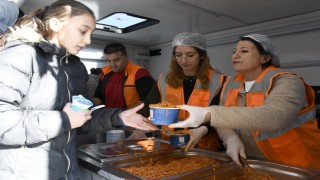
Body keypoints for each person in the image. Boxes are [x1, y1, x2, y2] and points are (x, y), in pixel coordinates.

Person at [0, 1, 156, 179]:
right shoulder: (21, 55)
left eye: (91, 34)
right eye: (83, 31)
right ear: (56, 24)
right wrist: (63, 120)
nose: (88, 40)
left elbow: (83, 117)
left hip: (68, 171)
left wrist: (118, 116)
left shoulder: (76, 67)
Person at [169, 34, 320, 169]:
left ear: (265, 58)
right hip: (253, 162)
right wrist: (231, 138)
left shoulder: (287, 81)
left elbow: (275, 116)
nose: (236, 55)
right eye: (234, 51)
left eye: (244, 51)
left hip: (296, 164)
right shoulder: (231, 83)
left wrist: (209, 113)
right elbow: (223, 121)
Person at [143, 32, 227, 151]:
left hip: (204, 147)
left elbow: (221, 115)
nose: (183, 60)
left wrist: (203, 129)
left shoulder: (218, 80)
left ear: (201, 55)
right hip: (169, 144)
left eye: (190, 55)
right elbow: (149, 107)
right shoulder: (164, 79)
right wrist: (138, 120)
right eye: (178, 55)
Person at [92, 42, 155, 109]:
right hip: (108, 116)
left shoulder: (140, 73)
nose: (112, 64)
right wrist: (88, 105)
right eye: (109, 61)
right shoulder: (105, 73)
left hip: (131, 117)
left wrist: (124, 113)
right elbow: (98, 97)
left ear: (126, 57)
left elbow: (148, 100)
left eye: (116, 60)